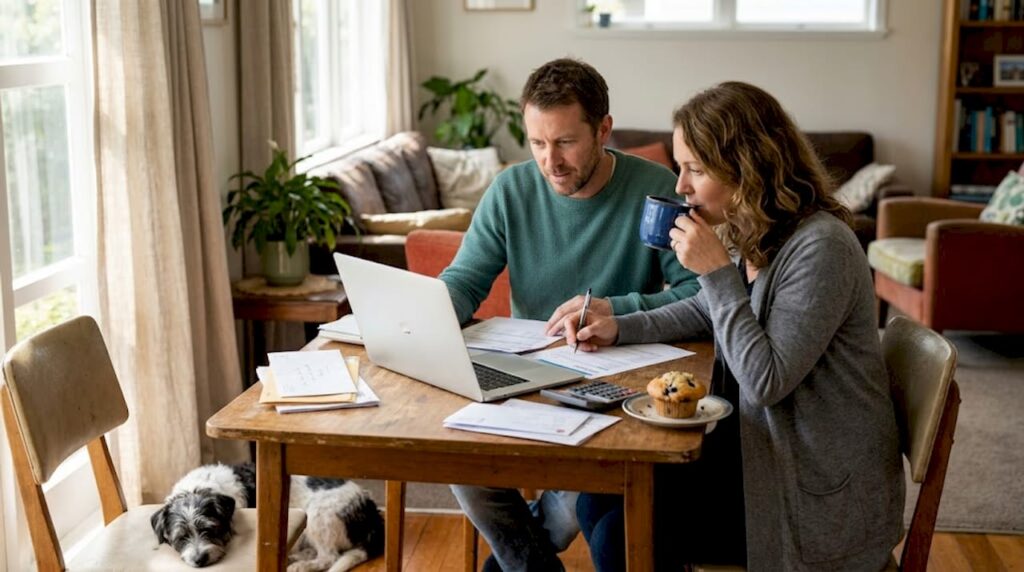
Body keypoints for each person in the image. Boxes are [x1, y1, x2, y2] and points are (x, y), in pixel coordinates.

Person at [564, 81, 906, 571]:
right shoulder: (761, 229)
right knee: (599, 501)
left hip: (809, 499)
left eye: (695, 170)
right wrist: (620, 325)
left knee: (621, 534)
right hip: (758, 456)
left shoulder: (820, 246)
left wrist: (716, 271)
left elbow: (765, 381)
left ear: (747, 168)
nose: (680, 186)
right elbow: (708, 311)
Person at [439, 58, 702, 571]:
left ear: (604, 129)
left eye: (565, 142)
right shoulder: (511, 190)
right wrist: (423, 318)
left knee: (596, 469)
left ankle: (517, 563)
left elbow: (699, 292)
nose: (550, 161)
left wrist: (622, 310)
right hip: (524, 377)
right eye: (537, 143)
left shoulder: (654, 188)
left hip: (618, 380)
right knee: (456, 455)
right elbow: (465, 279)